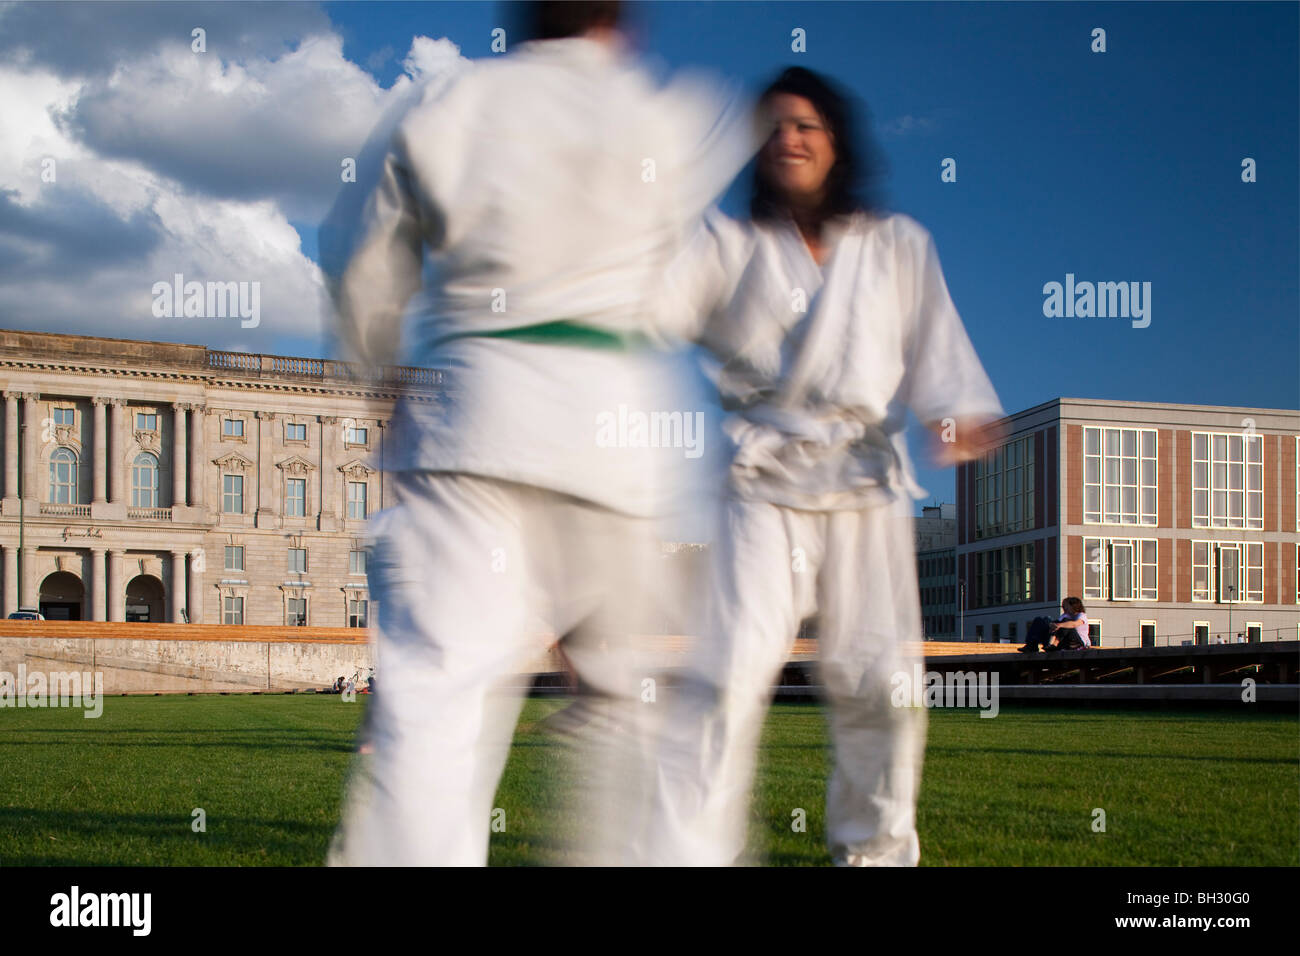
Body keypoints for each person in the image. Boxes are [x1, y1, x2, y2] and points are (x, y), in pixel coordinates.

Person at [322, 0, 762, 866]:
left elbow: (360, 265)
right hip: (616, 439)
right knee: (632, 714)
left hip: (475, 419)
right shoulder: (661, 116)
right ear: (619, 25)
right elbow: (716, 294)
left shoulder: (450, 102)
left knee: (437, 708)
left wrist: (380, 378)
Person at [647, 67, 1005, 866]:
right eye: (774, 126)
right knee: (727, 676)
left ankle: (876, 852)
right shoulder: (725, 243)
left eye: (806, 124)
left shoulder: (897, 245)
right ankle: (683, 854)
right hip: (760, 486)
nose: (790, 138)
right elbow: (652, 306)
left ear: (836, 141)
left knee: (881, 682)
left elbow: (933, 353)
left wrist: (953, 413)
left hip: (865, 485)